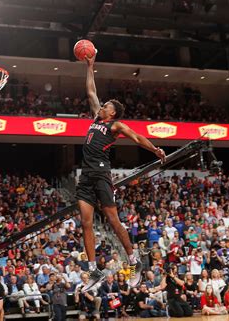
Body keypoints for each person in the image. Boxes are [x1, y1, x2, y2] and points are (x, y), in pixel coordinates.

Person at [78, 52, 166, 292]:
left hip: (101, 173)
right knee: (85, 222)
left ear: (112, 113)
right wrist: (90, 66)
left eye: (106, 106)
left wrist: (155, 149)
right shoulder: (97, 118)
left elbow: (137, 137)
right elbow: (91, 92)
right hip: (85, 176)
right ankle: (93, 270)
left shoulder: (115, 126)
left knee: (113, 220)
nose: (102, 106)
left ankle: (134, 261)